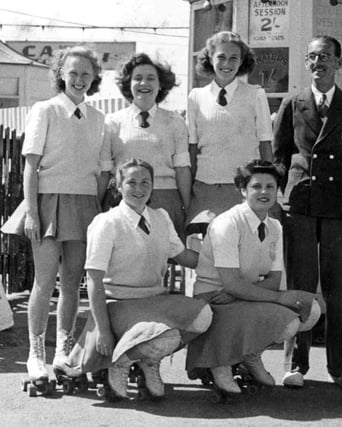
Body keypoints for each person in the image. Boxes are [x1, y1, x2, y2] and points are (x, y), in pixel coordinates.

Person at [0, 46, 110, 385]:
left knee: (72, 285)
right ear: (61, 74)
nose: (78, 80)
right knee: (44, 282)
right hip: (47, 204)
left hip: (84, 206)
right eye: (73, 73)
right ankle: (36, 353)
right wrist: (32, 213)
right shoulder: (44, 110)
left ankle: (62, 349)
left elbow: (104, 170)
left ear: (94, 79)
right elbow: (30, 165)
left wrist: (96, 204)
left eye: (85, 75)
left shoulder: (98, 119)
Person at [59, 159, 212, 400]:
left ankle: (149, 361)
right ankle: (119, 363)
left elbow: (183, 256)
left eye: (145, 182)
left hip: (153, 300)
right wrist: (104, 330)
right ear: (118, 186)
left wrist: (219, 260)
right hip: (117, 304)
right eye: (131, 182)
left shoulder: (160, 217)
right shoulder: (106, 222)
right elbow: (94, 281)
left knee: (203, 315)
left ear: (153, 187)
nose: (139, 189)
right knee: (167, 334)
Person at [273, 35, 342, 387]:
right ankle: (295, 364)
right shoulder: (292, 103)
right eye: (313, 57)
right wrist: (291, 191)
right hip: (300, 204)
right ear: (306, 62)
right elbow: (280, 156)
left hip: (339, 207)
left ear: (338, 63)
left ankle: (338, 365)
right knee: (301, 285)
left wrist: (339, 190)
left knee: (337, 289)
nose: (319, 63)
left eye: (326, 57)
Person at [186, 159, 320, 394]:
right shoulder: (227, 223)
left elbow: (273, 280)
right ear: (243, 190)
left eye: (270, 186)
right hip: (213, 297)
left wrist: (243, 291)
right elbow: (230, 283)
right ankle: (221, 362)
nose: (264, 192)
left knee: (311, 309)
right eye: (256, 186)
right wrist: (275, 297)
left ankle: (250, 353)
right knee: (286, 316)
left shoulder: (275, 226)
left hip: (242, 294)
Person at [186, 31, 273, 232]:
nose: (227, 64)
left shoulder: (256, 94)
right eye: (221, 57)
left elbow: (265, 144)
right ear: (210, 58)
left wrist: (268, 188)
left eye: (234, 58)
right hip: (205, 190)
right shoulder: (196, 97)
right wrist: (189, 190)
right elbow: (192, 147)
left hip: (245, 189)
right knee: (206, 254)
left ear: (242, 61)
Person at [102, 53, 191, 239]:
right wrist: (98, 204)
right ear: (128, 84)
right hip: (125, 200)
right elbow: (105, 171)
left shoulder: (175, 121)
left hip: (165, 200)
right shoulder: (112, 122)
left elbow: (182, 169)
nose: (144, 83)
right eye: (138, 78)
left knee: (164, 261)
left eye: (151, 78)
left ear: (160, 85)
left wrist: (188, 207)